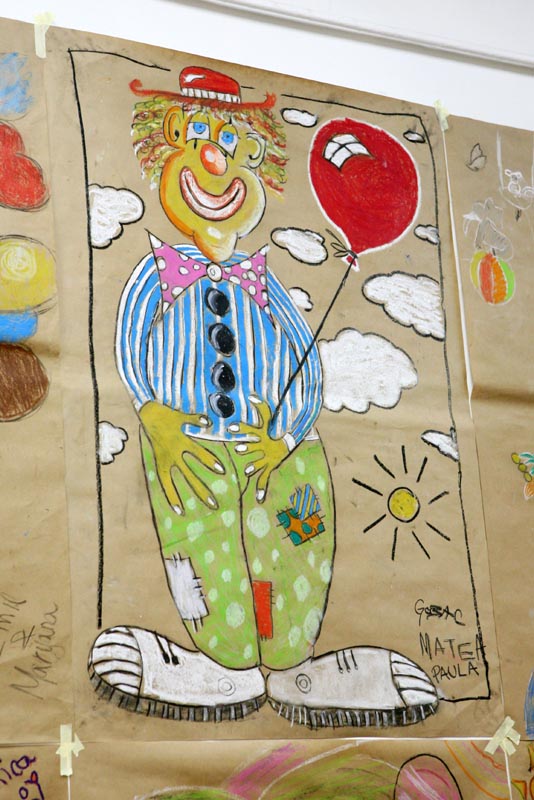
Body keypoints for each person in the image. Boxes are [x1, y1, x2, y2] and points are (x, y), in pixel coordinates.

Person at [88, 66, 438, 728]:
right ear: (165, 150)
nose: (214, 165)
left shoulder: (264, 283)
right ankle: (223, 662)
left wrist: (289, 435)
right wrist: (154, 415)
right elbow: (130, 343)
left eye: (233, 148)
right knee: (200, 549)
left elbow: (306, 366)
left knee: (293, 547)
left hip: (278, 452)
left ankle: (293, 665)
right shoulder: (156, 275)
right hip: (190, 448)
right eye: (194, 141)